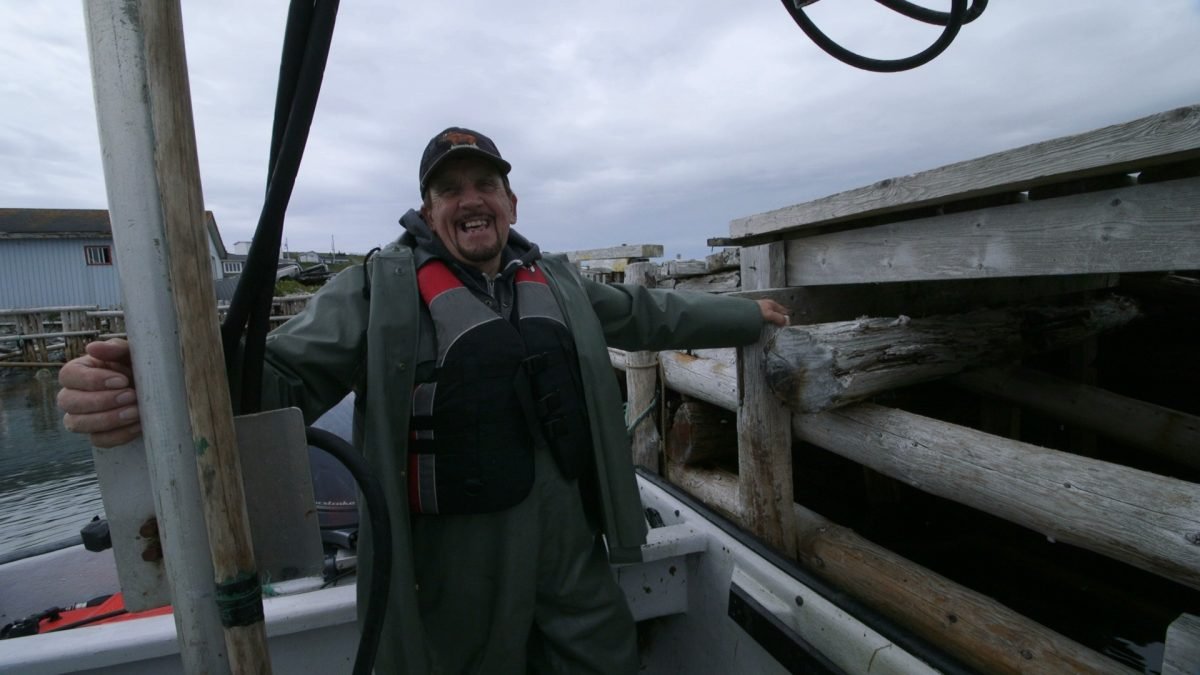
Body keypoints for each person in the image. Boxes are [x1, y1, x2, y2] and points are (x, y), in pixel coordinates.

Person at [58, 127, 789, 674]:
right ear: (428, 209)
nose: (470, 199)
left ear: (510, 200)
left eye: (485, 183)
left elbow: (648, 314)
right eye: (450, 189)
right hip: (453, 556)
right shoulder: (377, 290)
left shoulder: (557, 281)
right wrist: (152, 389)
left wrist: (748, 316)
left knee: (606, 655)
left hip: (568, 532)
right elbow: (278, 383)